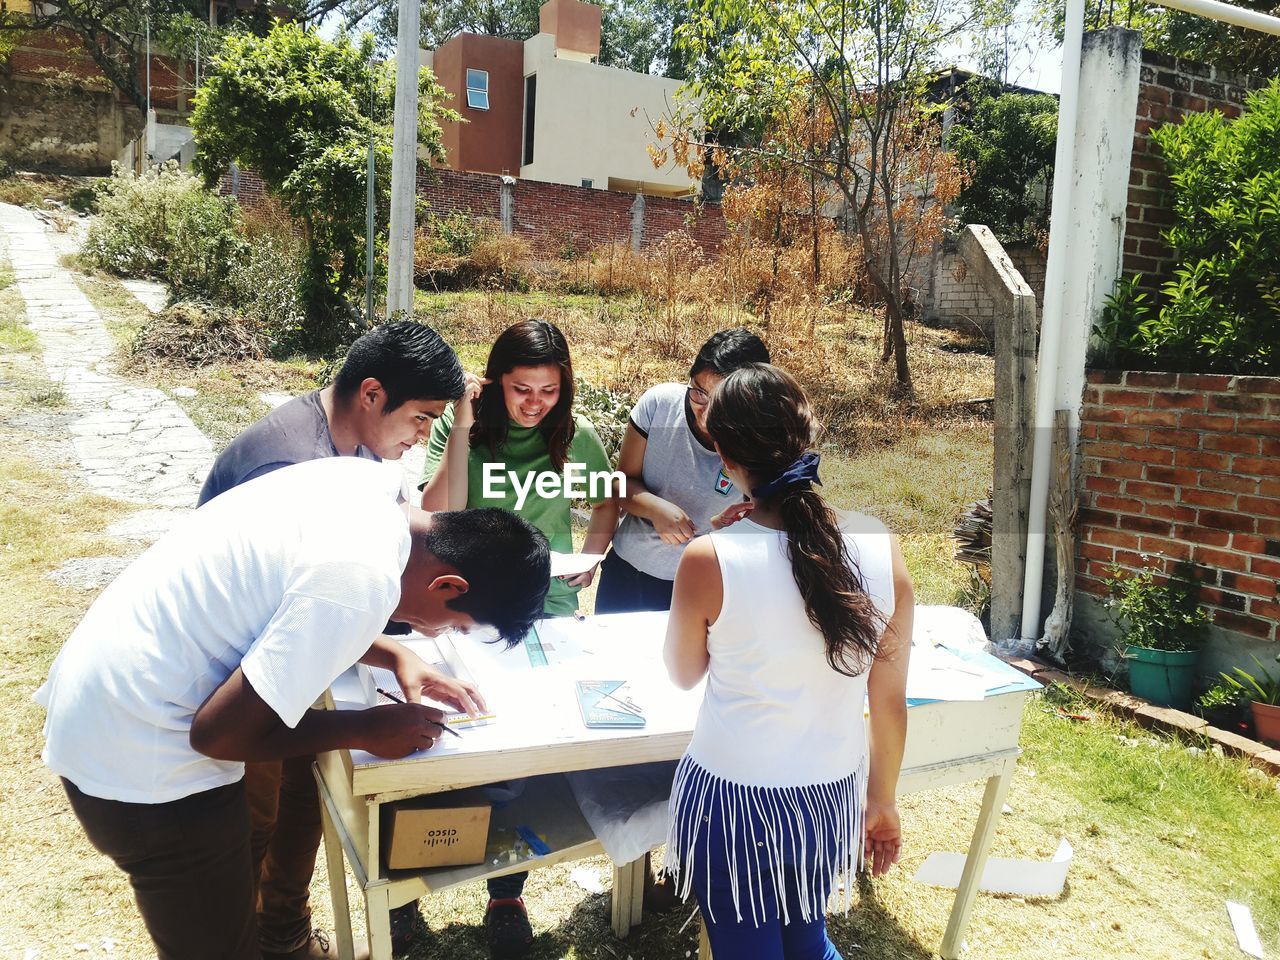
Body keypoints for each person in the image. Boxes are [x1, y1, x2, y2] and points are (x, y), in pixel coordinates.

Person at [36, 456, 551, 960]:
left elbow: (297, 604)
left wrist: (394, 652)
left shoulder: (367, 487)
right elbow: (218, 737)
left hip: (106, 690)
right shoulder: (363, 578)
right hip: (145, 763)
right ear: (448, 585)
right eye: (454, 626)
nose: (435, 634)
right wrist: (365, 727)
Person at [198, 319, 474, 959]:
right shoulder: (288, 463)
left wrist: (396, 650)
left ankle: (284, 934)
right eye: (423, 417)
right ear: (373, 393)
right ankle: (249, 940)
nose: (424, 435)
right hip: (240, 670)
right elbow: (285, 613)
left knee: (306, 787)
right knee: (251, 821)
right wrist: (388, 654)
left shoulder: (356, 446)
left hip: (291, 651)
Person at [662, 364, 913, 959]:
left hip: (733, 798)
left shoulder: (708, 559)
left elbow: (682, 673)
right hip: (828, 796)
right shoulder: (881, 545)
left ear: (724, 455)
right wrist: (882, 799)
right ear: (808, 433)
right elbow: (889, 702)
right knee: (806, 940)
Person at [419, 318, 619, 958]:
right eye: (520, 388)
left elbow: (609, 498)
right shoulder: (467, 434)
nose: (534, 403)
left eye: (549, 391)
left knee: (528, 750)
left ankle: (507, 891)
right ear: (494, 382)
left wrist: (592, 553)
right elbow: (435, 511)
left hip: (549, 605)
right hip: (471, 606)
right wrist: (460, 422)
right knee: (454, 742)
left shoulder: (576, 439)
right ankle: (410, 887)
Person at [594, 328, 770, 615]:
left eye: (722, 401)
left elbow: (769, 527)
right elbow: (619, 485)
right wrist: (655, 509)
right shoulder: (660, 405)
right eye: (699, 392)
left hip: (698, 587)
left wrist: (731, 529)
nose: (706, 411)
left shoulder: (761, 443)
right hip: (625, 573)